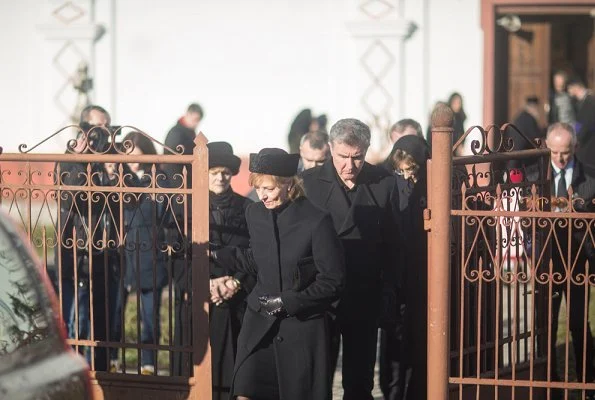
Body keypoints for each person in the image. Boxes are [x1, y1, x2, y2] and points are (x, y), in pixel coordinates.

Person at [211, 148, 345, 400]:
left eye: (269, 188)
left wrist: (289, 302)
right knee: (244, 390)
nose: (262, 195)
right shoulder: (255, 213)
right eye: (258, 188)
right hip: (259, 322)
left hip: (301, 329)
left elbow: (333, 280)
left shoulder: (316, 221)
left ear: (288, 184)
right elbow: (257, 259)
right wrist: (216, 253)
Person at [301, 118, 401, 400]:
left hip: (364, 294)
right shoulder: (309, 183)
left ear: (366, 150)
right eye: (343, 157)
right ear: (331, 149)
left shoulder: (384, 183)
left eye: (357, 158)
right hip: (322, 295)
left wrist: (389, 289)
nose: (350, 165)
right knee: (318, 378)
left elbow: (393, 244)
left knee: (359, 382)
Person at [55, 104, 119, 371]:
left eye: (106, 127)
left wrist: (115, 173)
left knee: (104, 326)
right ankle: (77, 378)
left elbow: (128, 202)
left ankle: (104, 378)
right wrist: (80, 159)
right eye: (97, 128)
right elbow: (69, 199)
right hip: (77, 257)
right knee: (76, 324)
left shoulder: (114, 159)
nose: (103, 134)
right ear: (84, 130)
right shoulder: (69, 159)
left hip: (109, 256)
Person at [109, 131, 168, 375]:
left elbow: (163, 213)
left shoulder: (159, 178)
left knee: (150, 314)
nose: (132, 160)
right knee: (114, 311)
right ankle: (112, 357)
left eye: (137, 155)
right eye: (128, 155)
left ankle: (148, 362)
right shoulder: (117, 179)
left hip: (150, 252)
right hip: (121, 252)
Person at [544, 122, 595, 390]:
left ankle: (587, 383)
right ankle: (547, 383)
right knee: (546, 326)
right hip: (547, 263)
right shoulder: (536, 178)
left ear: (575, 148)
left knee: (578, 323)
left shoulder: (590, 181)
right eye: (554, 152)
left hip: (579, 263)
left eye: (565, 152)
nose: (560, 159)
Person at [381, 135, 430, 400]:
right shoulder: (391, 186)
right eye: (400, 170)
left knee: (421, 346)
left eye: (411, 169)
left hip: (423, 276)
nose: (406, 175)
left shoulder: (431, 186)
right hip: (398, 277)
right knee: (395, 348)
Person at [205, 141, 255, 399]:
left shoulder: (248, 208)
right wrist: (208, 285)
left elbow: (256, 252)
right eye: (213, 172)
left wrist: (235, 282)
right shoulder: (188, 207)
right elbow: (177, 254)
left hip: (237, 299)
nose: (220, 177)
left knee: (234, 364)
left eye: (224, 171)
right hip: (201, 301)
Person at [162, 102, 203, 375]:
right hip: (179, 199)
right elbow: (173, 167)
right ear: (188, 114)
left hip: (185, 201)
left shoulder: (185, 134)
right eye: (195, 117)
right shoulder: (177, 134)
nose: (196, 121)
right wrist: (184, 189)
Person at [567, 76, 595, 175]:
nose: (568, 92)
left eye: (569, 88)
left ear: (575, 87)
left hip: (588, 147)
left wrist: (577, 139)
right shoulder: (582, 102)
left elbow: (586, 125)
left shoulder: (590, 101)